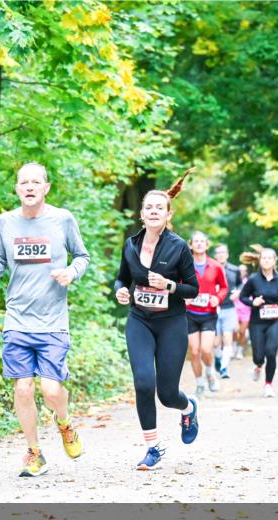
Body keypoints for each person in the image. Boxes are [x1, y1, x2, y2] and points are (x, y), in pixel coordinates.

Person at [0, 162, 90, 477]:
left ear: (46, 188)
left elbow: (82, 257)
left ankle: (64, 422)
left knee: (51, 391)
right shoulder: (5, 221)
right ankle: (34, 452)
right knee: (23, 389)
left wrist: (71, 272)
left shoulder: (62, 219)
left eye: (35, 182)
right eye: (23, 182)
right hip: (18, 319)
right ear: (17, 188)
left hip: (53, 320)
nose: (29, 187)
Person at [114, 170, 200, 470]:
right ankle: (153, 447)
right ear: (142, 214)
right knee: (142, 382)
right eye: (148, 207)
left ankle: (188, 408)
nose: (153, 211)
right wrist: (120, 291)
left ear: (167, 214)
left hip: (171, 323)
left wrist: (169, 285)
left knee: (166, 394)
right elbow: (122, 279)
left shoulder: (178, 247)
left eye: (159, 208)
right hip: (139, 320)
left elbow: (193, 289)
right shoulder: (130, 245)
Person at [238, 247, 278, 398]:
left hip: (275, 321)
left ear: (275, 261)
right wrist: (253, 302)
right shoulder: (253, 280)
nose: (267, 260)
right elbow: (243, 297)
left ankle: (268, 385)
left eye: (270, 258)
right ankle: (258, 365)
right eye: (264, 258)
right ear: (260, 260)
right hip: (257, 322)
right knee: (258, 356)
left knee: (271, 352)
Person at [184, 232, 227, 397]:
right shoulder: (185, 265)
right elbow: (178, 285)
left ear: (207, 245)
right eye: (196, 241)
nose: (199, 244)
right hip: (190, 313)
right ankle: (200, 384)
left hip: (208, 313)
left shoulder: (215, 266)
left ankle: (210, 372)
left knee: (206, 349)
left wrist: (218, 298)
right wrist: (183, 297)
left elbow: (223, 287)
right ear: (191, 245)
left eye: (202, 241)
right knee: (194, 351)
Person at [211, 244, 241, 378]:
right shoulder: (210, 268)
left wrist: (238, 291)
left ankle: (224, 368)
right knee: (215, 342)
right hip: (213, 309)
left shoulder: (235, 270)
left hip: (229, 308)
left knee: (228, 338)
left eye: (223, 252)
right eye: (218, 253)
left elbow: (240, 284)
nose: (221, 255)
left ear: (227, 254)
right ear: (215, 255)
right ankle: (218, 358)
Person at [232, 263, 252, 359]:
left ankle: (240, 351)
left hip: (246, 309)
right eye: (239, 270)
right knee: (234, 331)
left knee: (242, 331)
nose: (241, 272)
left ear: (246, 272)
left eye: (243, 270)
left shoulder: (249, 282)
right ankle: (234, 348)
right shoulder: (233, 281)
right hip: (233, 309)